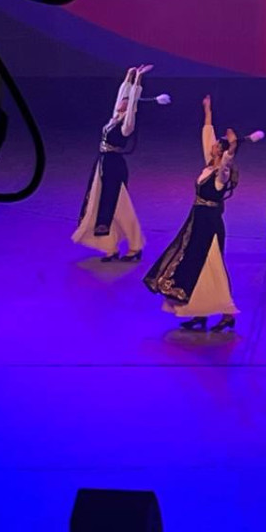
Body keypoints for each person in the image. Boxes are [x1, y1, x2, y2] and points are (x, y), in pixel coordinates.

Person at [144, 96, 242, 333]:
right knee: (194, 264)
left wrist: (233, 146)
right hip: (197, 221)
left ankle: (227, 314)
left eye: (217, 146)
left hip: (209, 225)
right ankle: (199, 312)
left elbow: (226, 164)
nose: (212, 146)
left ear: (221, 152)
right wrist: (207, 111)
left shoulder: (220, 175)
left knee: (211, 264)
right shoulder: (208, 167)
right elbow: (207, 136)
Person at [72, 65, 152, 262]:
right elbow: (121, 97)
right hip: (103, 164)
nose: (121, 102)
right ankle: (110, 247)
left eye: (126, 102)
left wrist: (138, 80)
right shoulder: (113, 119)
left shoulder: (126, 126)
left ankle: (135, 246)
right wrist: (129, 76)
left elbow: (132, 106)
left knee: (120, 207)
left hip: (114, 167)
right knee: (101, 205)